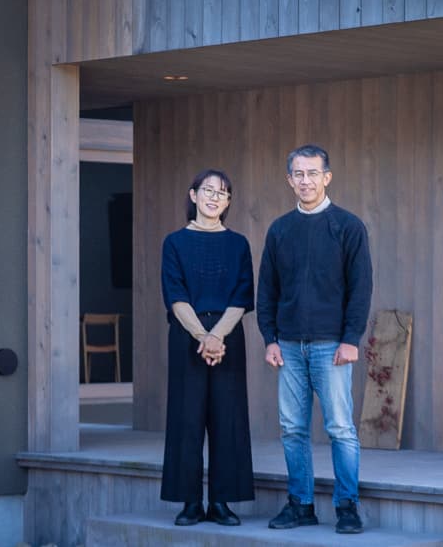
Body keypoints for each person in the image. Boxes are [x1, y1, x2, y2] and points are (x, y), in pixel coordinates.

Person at [257, 145, 373, 535]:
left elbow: (361, 288)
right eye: (298, 174)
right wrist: (270, 338)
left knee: (340, 428)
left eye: (312, 173)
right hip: (288, 345)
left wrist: (351, 338)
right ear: (289, 179)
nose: (305, 181)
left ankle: (347, 506)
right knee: (292, 429)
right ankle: (301, 505)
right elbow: (267, 289)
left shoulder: (348, 226)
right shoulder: (280, 230)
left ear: (327, 177)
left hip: (332, 345)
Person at [159, 168, 255, 528]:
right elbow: (175, 295)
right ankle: (189, 502)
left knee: (227, 418)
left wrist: (218, 336)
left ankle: (220, 502)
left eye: (223, 193)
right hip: (188, 335)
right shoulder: (174, 243)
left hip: (228, 337)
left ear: (228, 202)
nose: (215, 197)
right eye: (208, 190)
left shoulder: (238, 244)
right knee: (186, 418)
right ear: (193, 195)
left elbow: (242, 295)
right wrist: (204, 336)